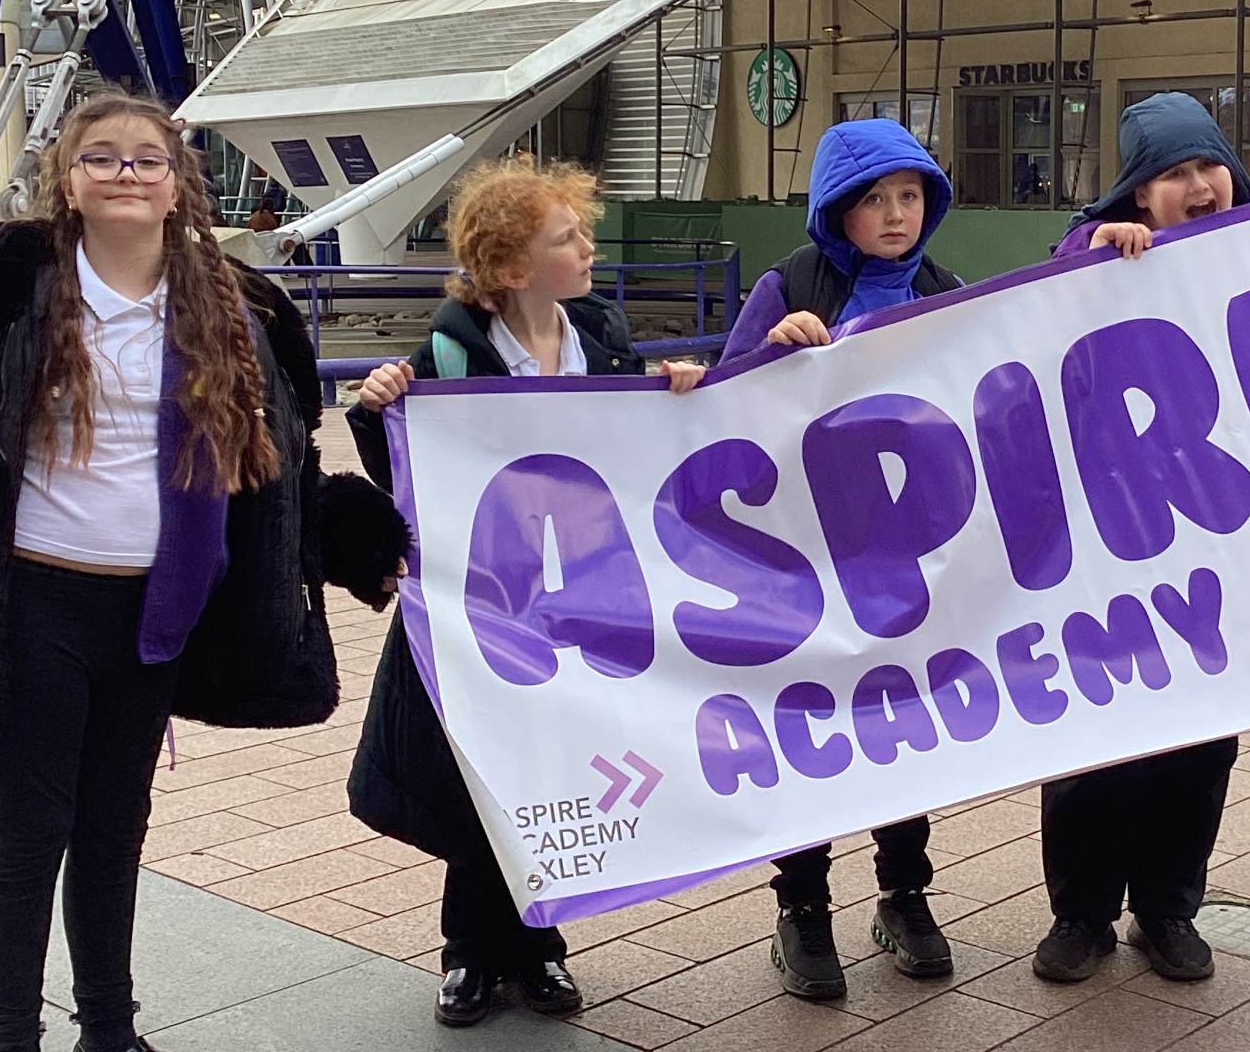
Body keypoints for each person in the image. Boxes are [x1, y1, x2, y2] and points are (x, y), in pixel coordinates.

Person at [0, 92, 407, 1052]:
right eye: (100, 157)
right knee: (28, 835)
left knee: (114, 831)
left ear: (177, 182)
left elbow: (277, 469)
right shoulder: (15, 293)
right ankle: (11, 1037)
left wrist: (357, 539)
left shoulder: (234, 309)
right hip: (36, 604)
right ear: (67, 181)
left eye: (147, 159)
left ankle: (110, 1030)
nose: (126, 173)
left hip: (157, 612)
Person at [346, 157, 703, 1029]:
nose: (587, 248)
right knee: (482, 773)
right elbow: (410, 477)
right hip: (485, 607)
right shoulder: (449, 352)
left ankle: (538, 947)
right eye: (567, 238)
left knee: (551, 770)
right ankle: (471, 952)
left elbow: (636, 447)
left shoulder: (600, 334)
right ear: (510, 268)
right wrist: (374, 409)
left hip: (577, 600)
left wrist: (676, 392)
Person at [718, 118, 963, 1002]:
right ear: (836, 210)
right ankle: (803, 907)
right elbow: (722, 407)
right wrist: (771, 353)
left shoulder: (944, 289)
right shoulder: (791, 284)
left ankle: (904, 894)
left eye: (910, 196)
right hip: (804, 558)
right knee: (810, 725)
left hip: (907, 558)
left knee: (905, 725)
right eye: (875, 199)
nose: (896, 215)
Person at [1028, 90, 1250, 987]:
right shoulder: (1097, 253)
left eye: (1209, 166)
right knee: (1098, 740)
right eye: (1173, 173)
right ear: (1137, 194)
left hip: (1214, 541)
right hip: (1106, 547)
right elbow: (1044, 296)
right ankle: (1080, 915)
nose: (1199, 186)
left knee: (1201, 739)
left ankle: (1168, 908)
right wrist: (1095, 249)